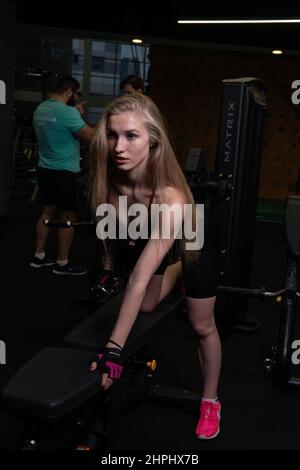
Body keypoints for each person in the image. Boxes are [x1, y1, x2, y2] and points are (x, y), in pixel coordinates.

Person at [89, 93, 221, 440]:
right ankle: (173, 267)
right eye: (114, 135)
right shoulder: (110, 182)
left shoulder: (171, 197)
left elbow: (138, 276)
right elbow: (114, 244)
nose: (119, 146)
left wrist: (113, 349)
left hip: (191, 240)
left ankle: (211, 400)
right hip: (155, 240)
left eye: (132, 136)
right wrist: (107, 268)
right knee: (147, 304)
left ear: (153, 140)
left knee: (201, 323)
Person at [30, 75, 96, 275]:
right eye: (75, 93)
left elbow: (57, 126)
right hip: (65, 172)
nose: (75, 97)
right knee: (68, 217)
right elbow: (91, 137)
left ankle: (39, 256)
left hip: (45, 169)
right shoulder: (68, 113)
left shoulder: (40, 109)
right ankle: (62, 263)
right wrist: (82, 117)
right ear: (69, 91)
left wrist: (73, 114)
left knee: (47, 213)